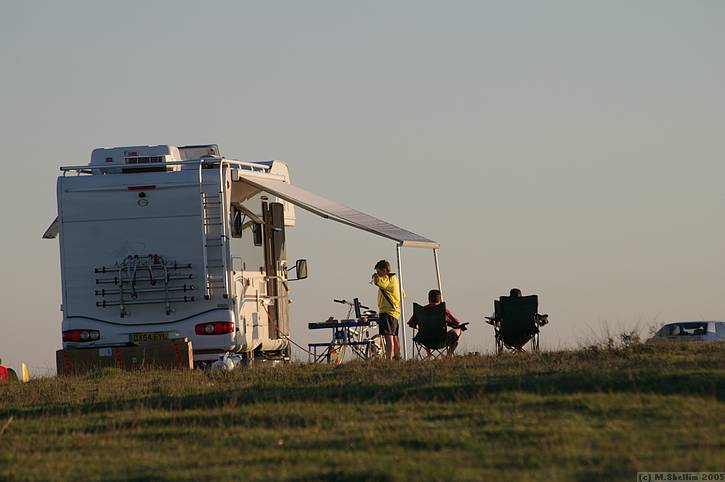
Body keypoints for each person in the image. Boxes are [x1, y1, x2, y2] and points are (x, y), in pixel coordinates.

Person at [408, 289, 463, 356]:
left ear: (429, 299)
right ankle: (449, 353)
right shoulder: (443, 311)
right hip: (441, 341)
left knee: (427, 331)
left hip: (424, 340)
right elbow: (457, 323)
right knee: (459, 330)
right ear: (440, 299)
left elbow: (410, 323)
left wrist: (420, 327)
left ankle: (429, 356)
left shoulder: (421, 311)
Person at [371, 259, 401, 360]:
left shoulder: (388, 279)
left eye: (378, 272)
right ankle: (397, 357)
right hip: (394, 312)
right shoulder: (395, 279)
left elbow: (380, 283)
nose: (377, 274)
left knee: (389, 337)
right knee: (394, 336)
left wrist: (375, 277)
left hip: (388, 311)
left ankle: (389, 358)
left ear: (384, 270)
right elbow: (402, 294)